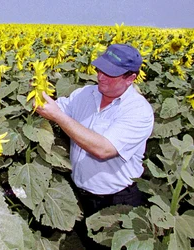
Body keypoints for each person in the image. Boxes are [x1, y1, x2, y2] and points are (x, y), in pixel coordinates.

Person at [35, 44, 154, 248]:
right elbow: (57, 108)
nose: (101, 77)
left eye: (111, 74)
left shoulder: (138, 111)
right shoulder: (85, 94)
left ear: (131, 78)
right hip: (81, 196)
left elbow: (103, 149)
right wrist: (38, 93)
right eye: (100, 70)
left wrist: (58, 116)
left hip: (116, 202)